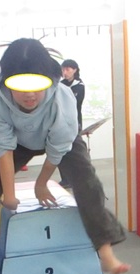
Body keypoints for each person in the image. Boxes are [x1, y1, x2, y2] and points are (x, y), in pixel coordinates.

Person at [0, 38, 130, 274]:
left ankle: (106, 252)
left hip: (60, 140)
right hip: (21, 140)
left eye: (37, 86)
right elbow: (4, 150)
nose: (30, 94)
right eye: (20, 87)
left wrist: (41, 183)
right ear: (7, 82)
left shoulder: (62, 99)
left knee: (86, 179)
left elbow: (57, 150)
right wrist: (9, 194)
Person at [57, 59, 86, 189]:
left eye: (67, 69)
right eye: (63, 69)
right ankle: (65, 179)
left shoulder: (79, 85)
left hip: (74, 122)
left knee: (74, 151)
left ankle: (76, 178)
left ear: (75, 70)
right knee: (60, 151)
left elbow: (74, 103)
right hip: (60, 122)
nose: (65, 72)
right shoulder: (60, 84)